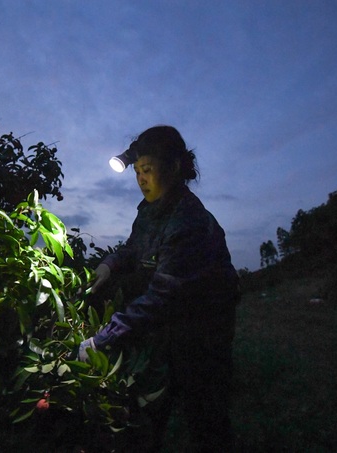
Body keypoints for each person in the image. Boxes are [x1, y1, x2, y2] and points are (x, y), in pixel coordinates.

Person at [79, 125, 239, 452]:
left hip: (204, 330)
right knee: (152, 407)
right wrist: (109, 265)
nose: (141, 179)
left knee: (205, 413)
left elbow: (162, 296)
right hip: (171, 328)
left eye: (147, 170)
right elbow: (135, 246)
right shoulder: (150, 210)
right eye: (137, 171)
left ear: (175, 167)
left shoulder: (189, 221)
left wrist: (102, 339)